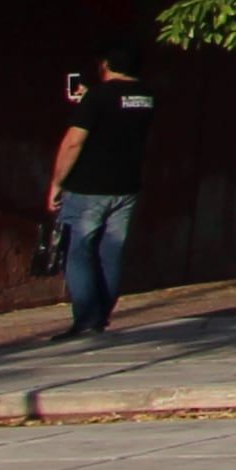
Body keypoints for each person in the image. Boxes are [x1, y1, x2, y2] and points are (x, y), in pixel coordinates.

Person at [44, 48, 152, 339]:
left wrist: (57, 181)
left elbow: (73, 143)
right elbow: (119, 111)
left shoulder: (98, 97)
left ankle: (87, 319)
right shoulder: (146, 97)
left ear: (106, 64)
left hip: (88, 187)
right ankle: (101, 315)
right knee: (111, 251)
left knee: (78, 251)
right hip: (126, 186)